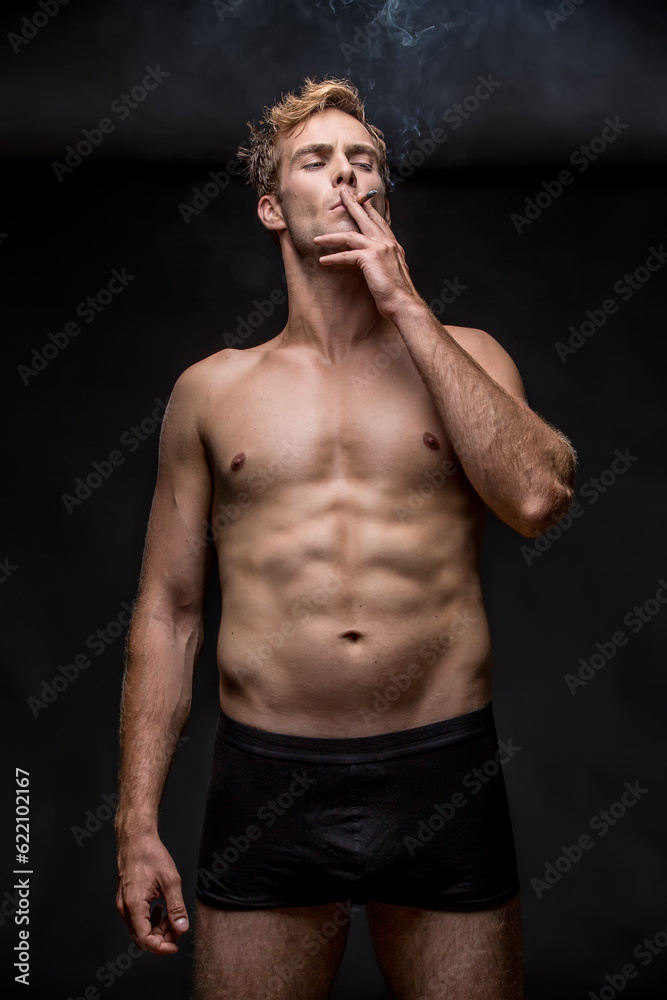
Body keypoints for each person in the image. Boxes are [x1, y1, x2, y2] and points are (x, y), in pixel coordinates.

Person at [114, 76, 577, 1000]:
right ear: (270, 207)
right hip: (267, 779)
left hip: (439, 771)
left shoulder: (470, 356)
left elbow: (536, 496)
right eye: (315, 160)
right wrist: (134, 824)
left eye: (363, 160)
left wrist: (406, 305)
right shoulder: (212, 391)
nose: (345, 175)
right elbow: (168, 612)